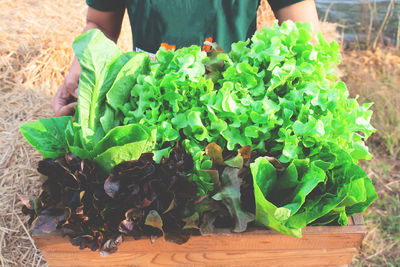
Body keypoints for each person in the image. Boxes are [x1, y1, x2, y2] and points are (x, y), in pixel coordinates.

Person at [52, 0, 320, 117]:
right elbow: (99, 24)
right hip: (146, 107)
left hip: (235, 108)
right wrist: (81, 71)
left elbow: (304, 40)